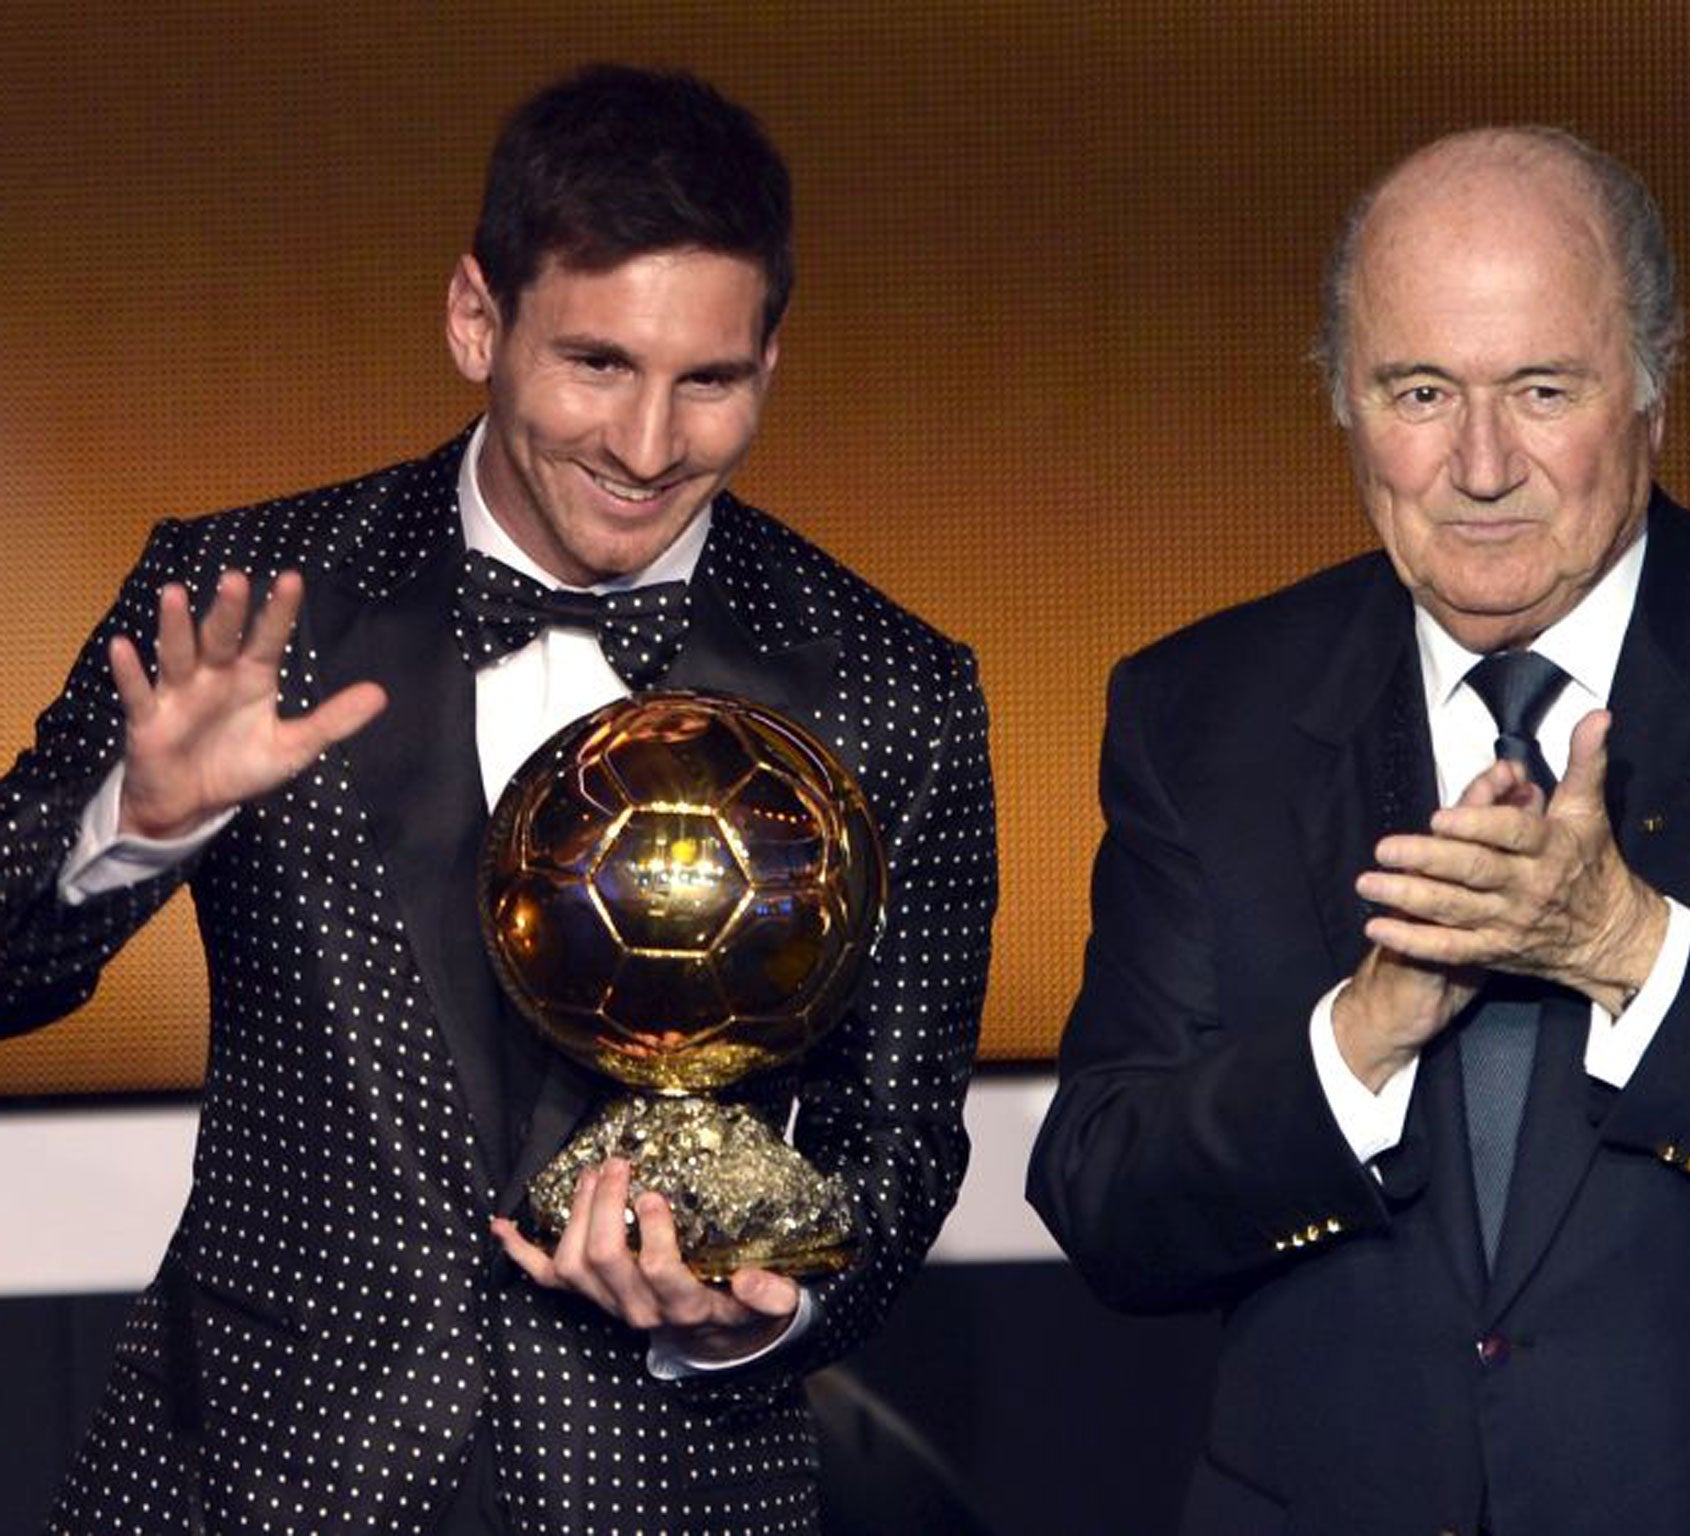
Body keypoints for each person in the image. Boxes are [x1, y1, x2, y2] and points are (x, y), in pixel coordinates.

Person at [0, 65, 995, 1535]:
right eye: (596, 363)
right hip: (246, 1483)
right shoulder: (245, 601)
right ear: (478, 319)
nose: (648, 447)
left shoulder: (894, 690)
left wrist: (739, 1319)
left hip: (663, 1492)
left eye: (708, 382)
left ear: (770, 365)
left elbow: (898, 1155)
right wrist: (133, 832)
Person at [1028, 126, 1690, 1536]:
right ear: (1342, 399)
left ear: (1651, 387)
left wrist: (1631, 949)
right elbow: (1109, 1200)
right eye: (1422, 390)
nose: (1482, 464)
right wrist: (1359, 1037)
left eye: (1543, 389)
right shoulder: (1199, 711)